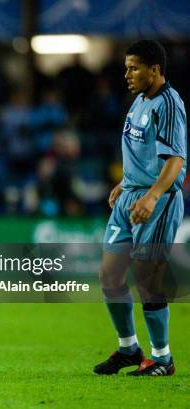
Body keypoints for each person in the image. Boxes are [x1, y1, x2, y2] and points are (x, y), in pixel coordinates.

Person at [94, 40, 186, 376]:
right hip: (129, 196)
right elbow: (140, 148)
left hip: (156, 201)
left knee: (147, 278)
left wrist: (150, 196)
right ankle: (129, 349)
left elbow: (176, 159)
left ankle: (162, 357)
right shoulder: (140, 101)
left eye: (134, 68)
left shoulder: (169, 105)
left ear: (155, 69)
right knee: (109, 276)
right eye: (127, 67)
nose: (127, 74)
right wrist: (127, 181)